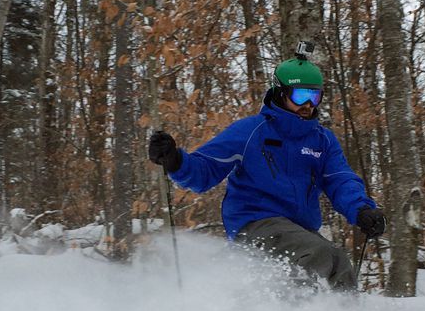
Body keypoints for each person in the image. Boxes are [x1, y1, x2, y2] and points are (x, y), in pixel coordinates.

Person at [147, 48, 386, 290]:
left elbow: (340, 179)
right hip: (255, 224)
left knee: (340, 263)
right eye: (301, 96)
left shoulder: (322, 140)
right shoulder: (252, 132)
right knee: (318, 253)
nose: (307, 105)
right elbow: (205, 169)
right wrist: (175, 160)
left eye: (314, 97)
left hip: (299, 231)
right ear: (280, 92)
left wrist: (361, 209)